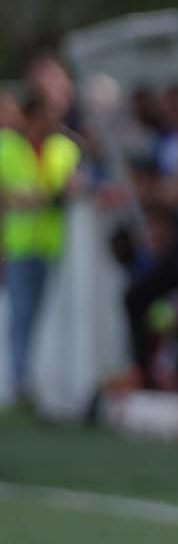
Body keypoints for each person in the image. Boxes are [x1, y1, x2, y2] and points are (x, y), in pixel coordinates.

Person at [1, 94, 84, 410]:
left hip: (50, 243)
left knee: (37, 314)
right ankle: (21, 380)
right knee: (21, 313)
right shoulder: (6, 146)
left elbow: (71, 185)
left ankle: (32, 378)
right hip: (20, 244)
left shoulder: (65, 148)